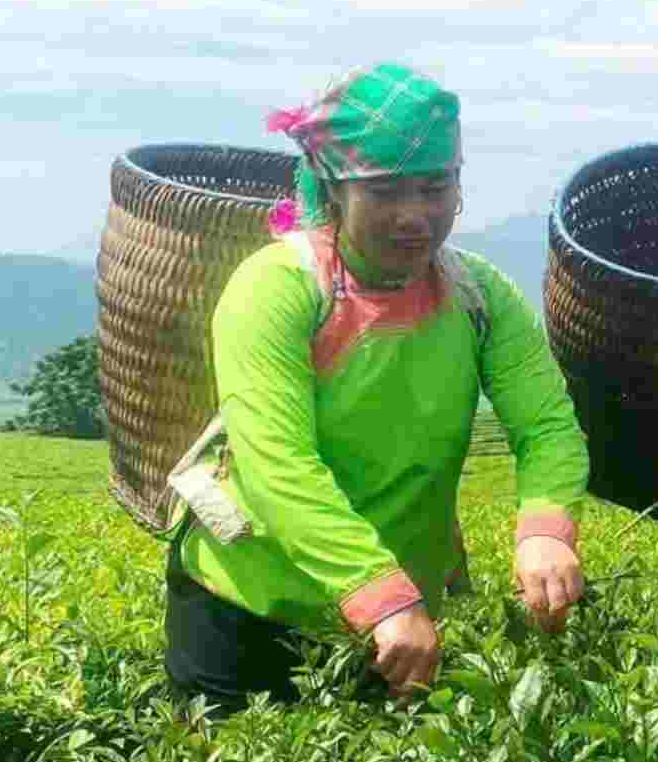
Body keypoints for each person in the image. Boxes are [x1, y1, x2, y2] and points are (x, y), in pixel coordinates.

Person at [163, 61, 590, 713]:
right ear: (333, 193)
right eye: (386, 193)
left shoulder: (478, 295)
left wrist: (546, 530)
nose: (416, 217)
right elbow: (277, 465)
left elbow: (547, 425)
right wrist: (380, 594)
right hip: (249, 606)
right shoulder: (278, 288)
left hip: (398, 616)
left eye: (434, 189)